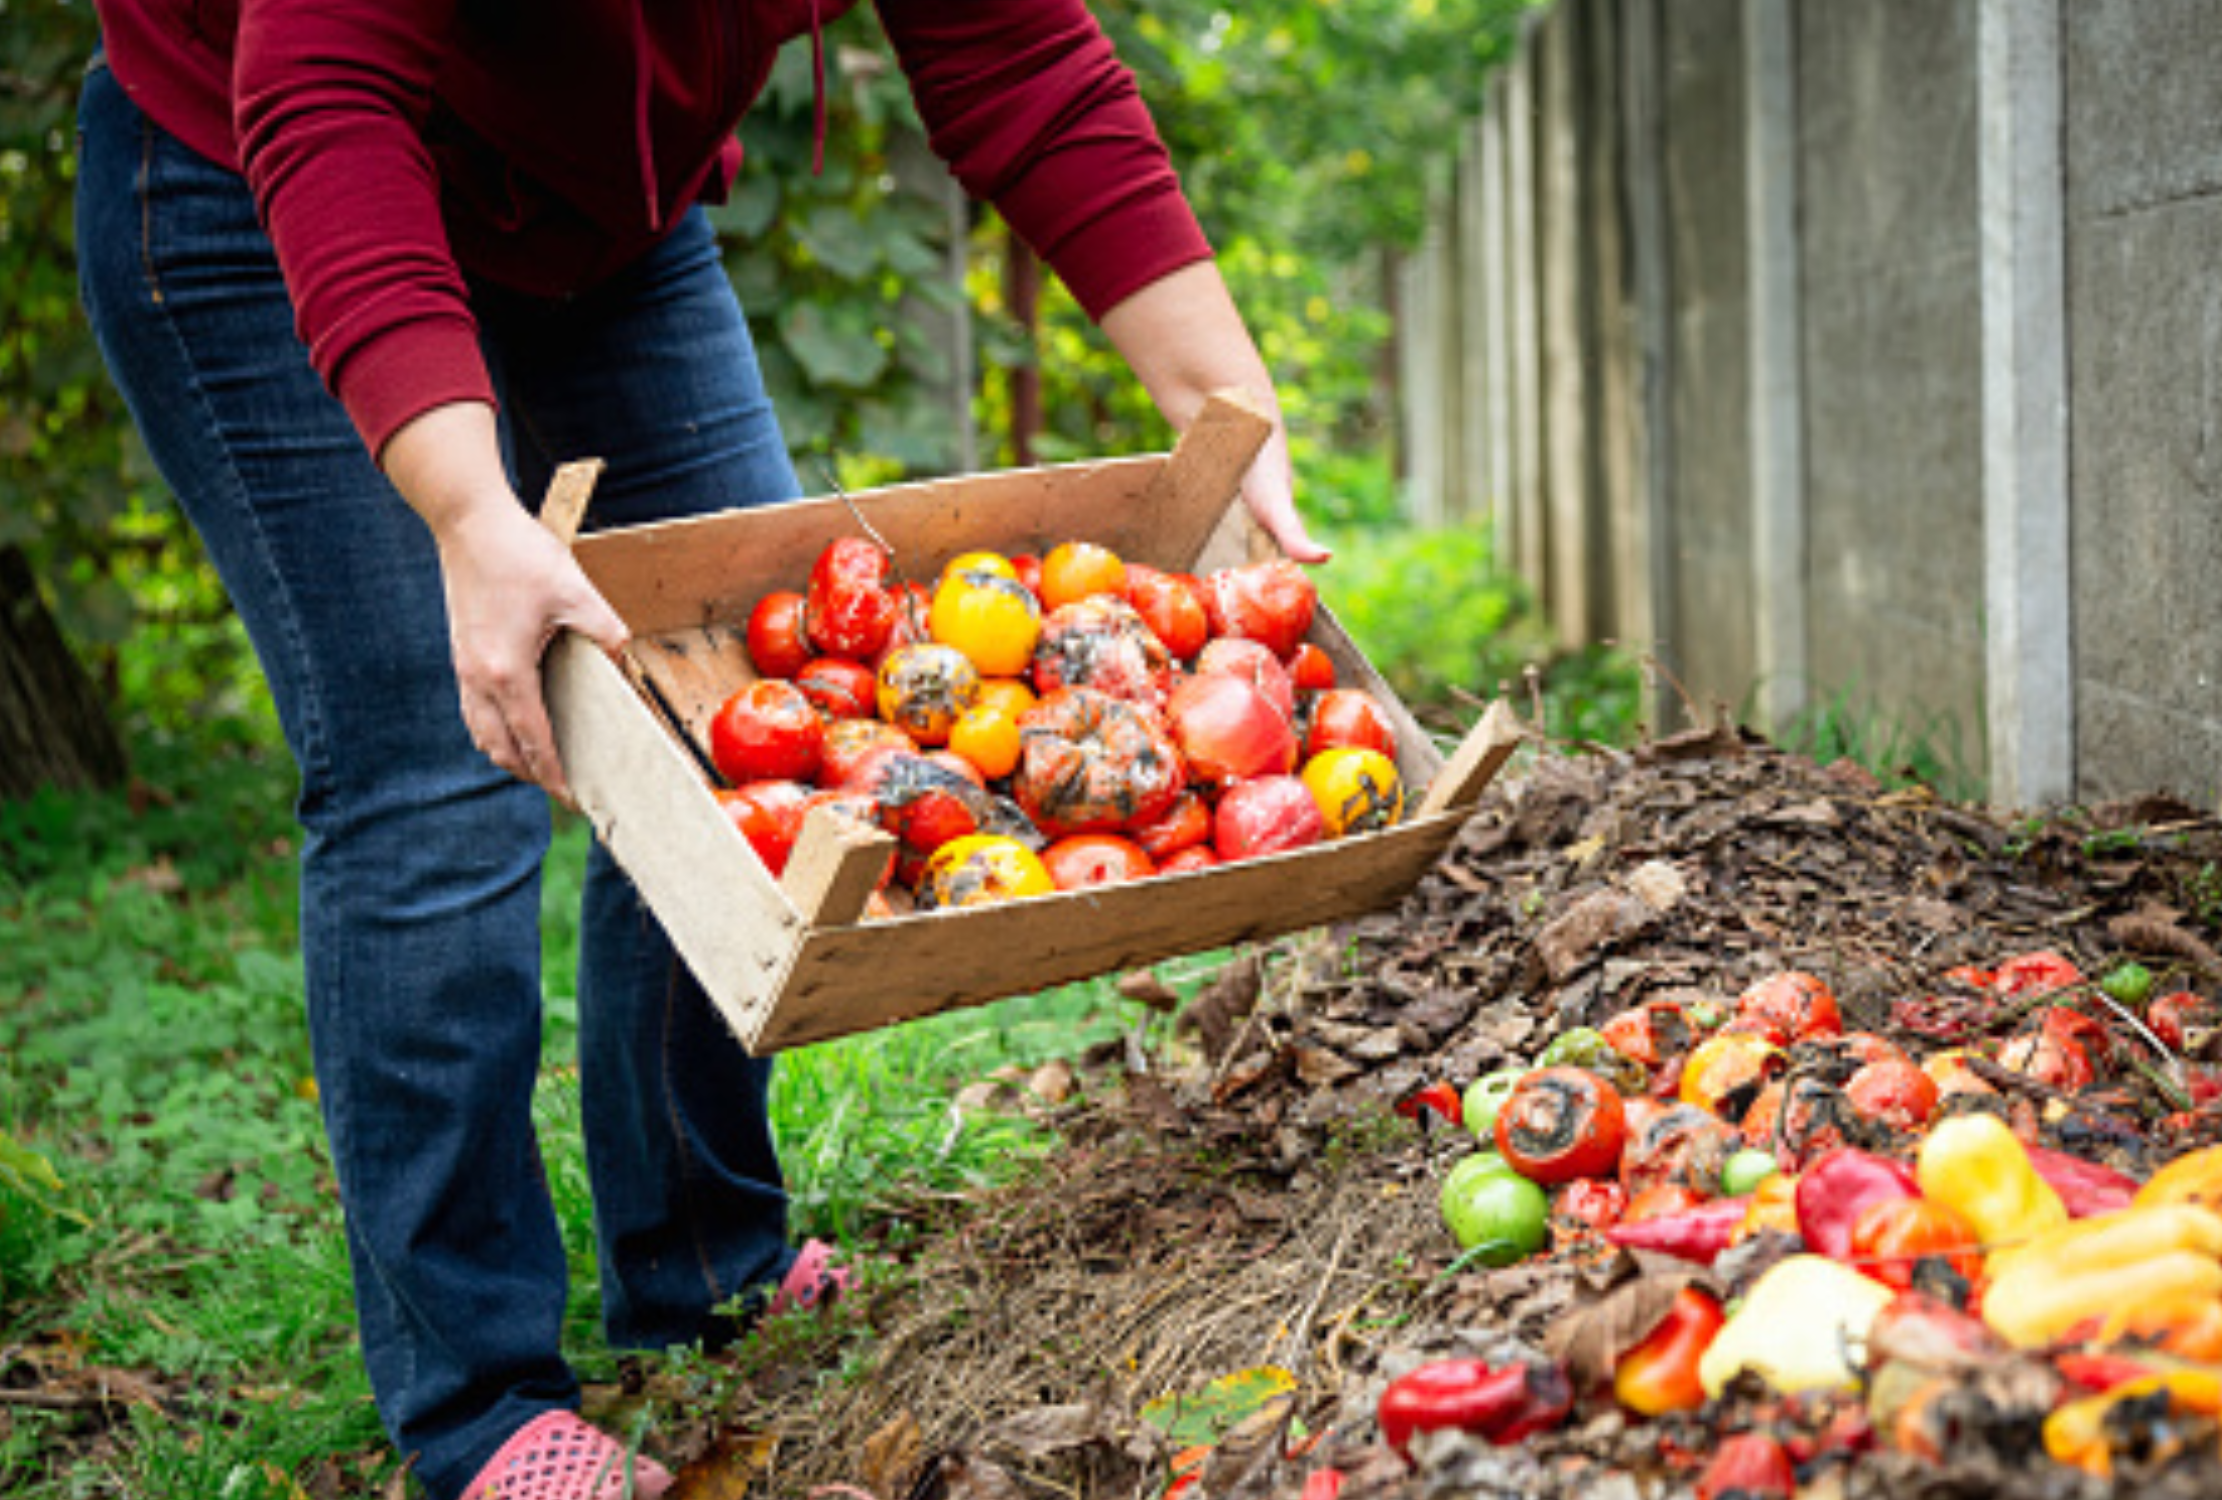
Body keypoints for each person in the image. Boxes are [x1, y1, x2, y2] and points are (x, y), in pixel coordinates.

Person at [76, 2, 1324, 1497]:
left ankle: (700, 1268)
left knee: (720, 729)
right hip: (266, 189)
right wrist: (473, 518)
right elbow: (323, 82)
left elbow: (1019, 56)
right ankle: (475, 1403)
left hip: (602, 232)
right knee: (437, 766)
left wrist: (1217, 407)